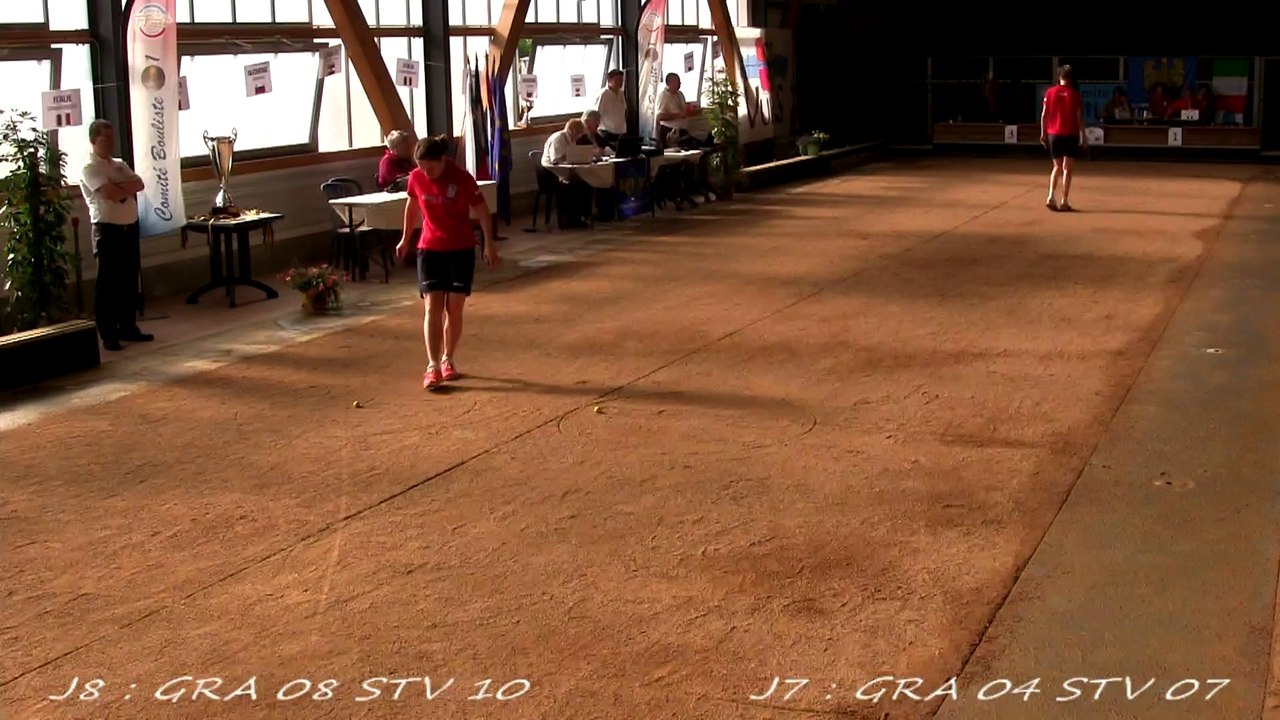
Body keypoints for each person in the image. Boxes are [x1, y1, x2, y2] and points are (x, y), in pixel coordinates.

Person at [396, 136, 500, 390]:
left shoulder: (461, 177)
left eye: (430, 168)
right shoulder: (417, 178)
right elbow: (412, 206)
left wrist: (489, 243)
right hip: (429, 249)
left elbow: (482, 210)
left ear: (442, 160)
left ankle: (448, 359)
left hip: (460, 248)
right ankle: (432, 365)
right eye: (421, 167)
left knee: (454, 308)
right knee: (432, 306)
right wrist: (405, 238)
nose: (425, 173)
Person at [78, 119, 152, 351]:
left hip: (129, 227)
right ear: (93, 140)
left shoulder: (119, 164)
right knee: (108, 283)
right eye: (105, 139)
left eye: (112, 138)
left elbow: (139, 184)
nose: (110, 143)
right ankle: (108, 333)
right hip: (107, 229)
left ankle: (128, 326)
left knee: (129, 279)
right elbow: (107, 193)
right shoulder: (89, 168)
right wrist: (122, 187)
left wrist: (119, 184)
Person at [1040, 65, 1086, 212]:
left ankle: (1050, 196)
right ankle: (1064, 200)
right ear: (1071, 78)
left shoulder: (1050, 92)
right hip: (1070, 134)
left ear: (1059, 76)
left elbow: (1044, 115)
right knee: (1067, 169)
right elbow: (1079, 118)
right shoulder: (1075, 94)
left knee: (1056, 167)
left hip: (1054, 134)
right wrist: (1083, 136)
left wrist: (1043, 133)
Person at [594, 69, 627, 145]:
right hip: (607, 132)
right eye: (618, 80)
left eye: (621, 80)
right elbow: (596, 113)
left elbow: (624, 111)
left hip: (621, 132)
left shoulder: (621, 94)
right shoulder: (604, 94)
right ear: (609, 80)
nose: (620, 83)